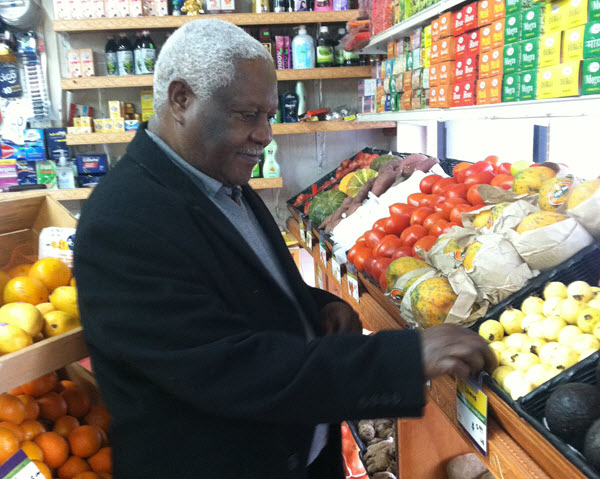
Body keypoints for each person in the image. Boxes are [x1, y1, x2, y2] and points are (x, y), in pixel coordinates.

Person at [74, 19, 496, 479]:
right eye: (247, 114)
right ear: (181, 100)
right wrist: (402, 359)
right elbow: (228, 368)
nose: (266, 134)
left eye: (268, 114)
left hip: (299, 455)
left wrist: (312, 305)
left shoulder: (222, 184)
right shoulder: (124, 220)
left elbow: (235, 287)